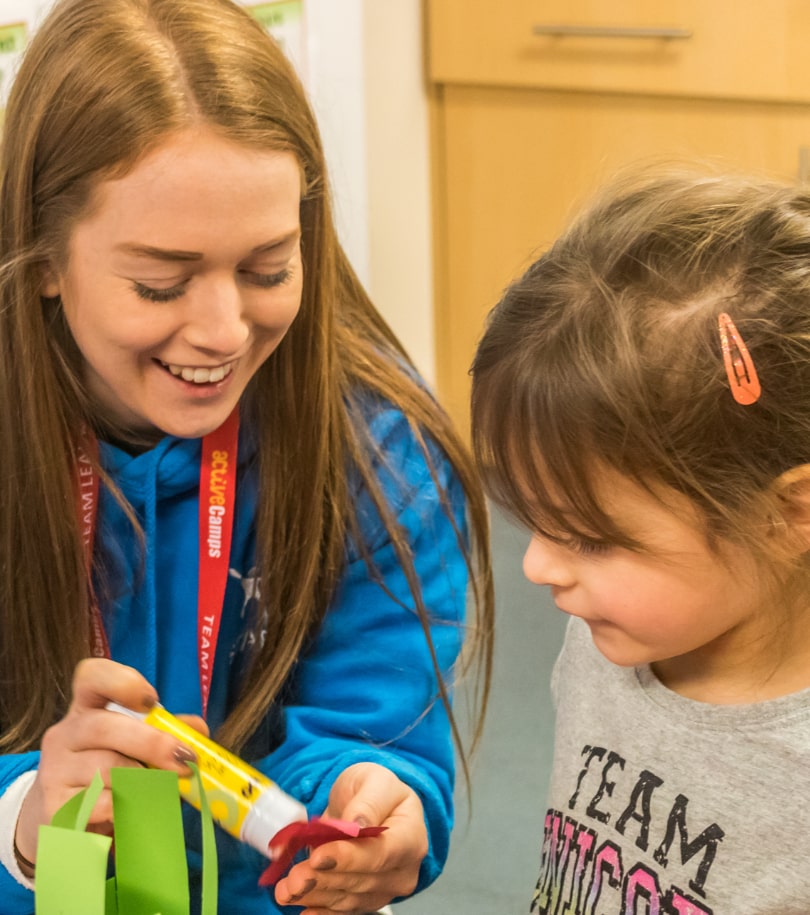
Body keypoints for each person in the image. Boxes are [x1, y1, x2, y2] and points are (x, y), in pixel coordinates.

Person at [0, 1, 494, 912]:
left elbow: (379, 731)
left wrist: (377, 795)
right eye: (160, 282)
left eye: (269, 268)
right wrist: (27, 819)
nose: (226, 330)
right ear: (41, 256)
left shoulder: (379, 457)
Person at [470, 167, 810, 914]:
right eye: (534, 521)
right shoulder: (606, 642)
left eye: (590, 537)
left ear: (789, 514)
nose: (535, 565)